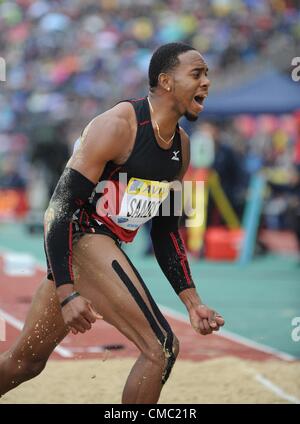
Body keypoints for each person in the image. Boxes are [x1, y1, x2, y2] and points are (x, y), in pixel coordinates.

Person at [0, 42, 224, 404]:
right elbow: (58, 211)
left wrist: (193, 302)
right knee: (161, 348)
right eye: (197, 74)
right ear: (166, 81)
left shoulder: (179, 148)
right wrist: (66, 291)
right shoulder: (118, 127)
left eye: (207, 74)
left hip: (98, 253)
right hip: (81, 243)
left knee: (25, 363)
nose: (207, 82)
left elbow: (166, 231)